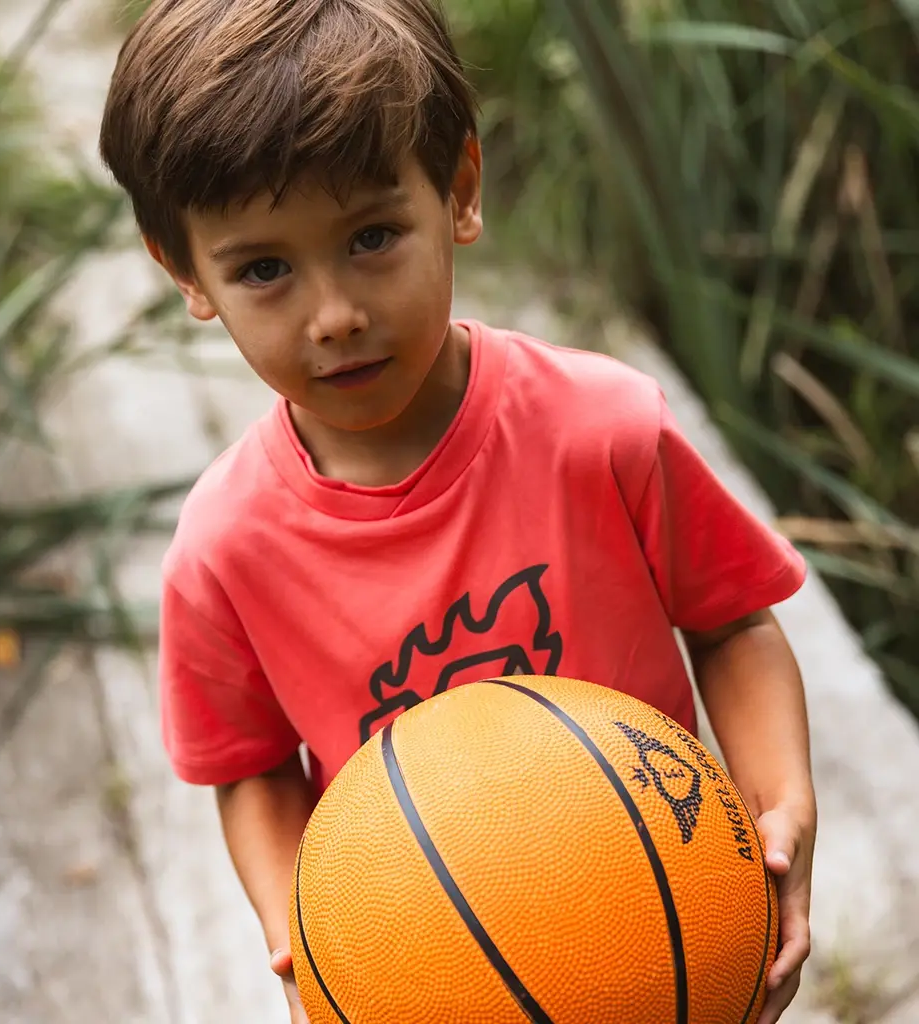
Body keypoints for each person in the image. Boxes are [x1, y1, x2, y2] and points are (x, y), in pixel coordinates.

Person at [99, 2, 816, 1021]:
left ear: (460, 193)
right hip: (429, 973)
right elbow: (250, 771)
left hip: (660, 931)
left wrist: (778, 800)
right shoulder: (226, 548)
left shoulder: (599, 428)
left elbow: (732, 618)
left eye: (372, 237)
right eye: (264, 268)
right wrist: (298, 928)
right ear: (185, 272)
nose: (335, 313)